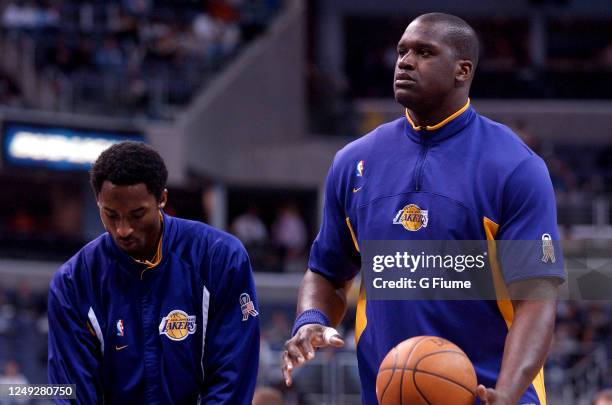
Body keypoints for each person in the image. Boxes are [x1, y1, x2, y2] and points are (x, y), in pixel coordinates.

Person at [282, 13, 565, 405]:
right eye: (402, 51)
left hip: (490, 395)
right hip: (388, 394)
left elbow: (535, 301)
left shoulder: (515, 166)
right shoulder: (354, 162)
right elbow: (326, 273)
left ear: (462, 70)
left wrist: (508, 392)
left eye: (424, 52)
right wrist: (311, 320)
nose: (405, 61)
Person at [48, 141, 260, 404]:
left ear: (162, 198)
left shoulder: (219, 258)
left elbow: (233, 377)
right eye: (111, 215)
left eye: (137, 215)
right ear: (98, 202)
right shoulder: (73, 283)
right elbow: (71, 392)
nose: (123, 229)